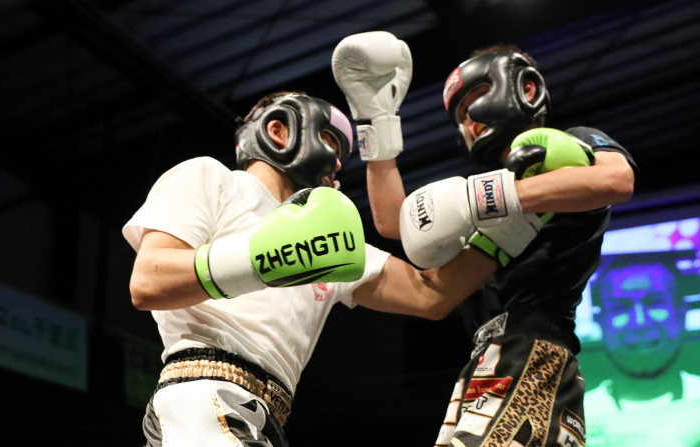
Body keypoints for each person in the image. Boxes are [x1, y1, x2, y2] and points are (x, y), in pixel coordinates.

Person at [123, 91, 512, 446]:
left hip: (265, 416)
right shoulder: (213, 179)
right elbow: (148, 281)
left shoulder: (330, 239)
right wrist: (266, 258)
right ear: (279, 131)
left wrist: (515, 222)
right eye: (329, 139)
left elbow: (431, 296)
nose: (338, 162)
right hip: (202, 392)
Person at [331, 32, 638, 447]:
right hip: (484, 362)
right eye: (459, 115)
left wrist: (482, 199)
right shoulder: (480, 211)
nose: (469, 120)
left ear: (525, 88)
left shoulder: (567, 152)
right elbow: (398, 230)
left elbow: (616, 179)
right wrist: (376, 120)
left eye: (474, 99)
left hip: (532, 352)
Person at [584, 254, 700, 446]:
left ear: (682, 312)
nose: (640, 322)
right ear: (600, 321)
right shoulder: (575, 416)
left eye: (655, 302)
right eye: (620, 307)